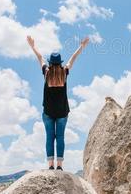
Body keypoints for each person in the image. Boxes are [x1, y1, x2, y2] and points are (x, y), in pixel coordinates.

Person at [26, 35, 89, 170]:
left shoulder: (46, 72)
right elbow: (73, 58)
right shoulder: (64, 72)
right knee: (60, 138)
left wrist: (32, 46)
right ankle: (59, 165)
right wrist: (82, 46)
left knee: (50, 137)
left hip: (48, 112)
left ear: (50, 63)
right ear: (60, 62)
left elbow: (40, 58)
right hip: (62, 112)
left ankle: (50, 165)